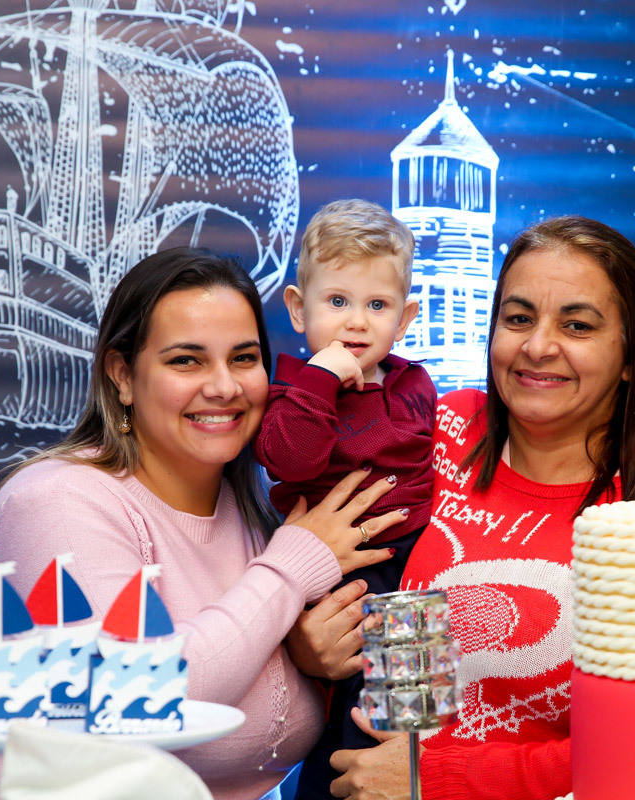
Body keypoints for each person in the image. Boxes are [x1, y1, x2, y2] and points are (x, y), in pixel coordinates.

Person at [0, 247, 405, 800]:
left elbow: (242, 678)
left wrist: (304, 655)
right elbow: (137, 701)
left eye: (243, 358)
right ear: (122, 376)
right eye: (186, 361)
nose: (224, 386)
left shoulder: (254, 505)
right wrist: (294, 565)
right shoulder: (54, 501)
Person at [286, 216, 635, 799]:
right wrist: (308, 645)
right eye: (519, 318)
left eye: (577, 325)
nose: (538, 347)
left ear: (631, 355)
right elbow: (354, 581)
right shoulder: (441, 429)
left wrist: (435, 779)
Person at [251, 199, 435, 797]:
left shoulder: (415, 383)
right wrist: (323, 377)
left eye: (377, 306)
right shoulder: (292, 393)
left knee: (414, 723)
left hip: (418, 568)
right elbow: (292, 460)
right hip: (345, 573)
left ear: (404, 319)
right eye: (337, 302)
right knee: (352, 716)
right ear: (298, 309)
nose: (356, 322)